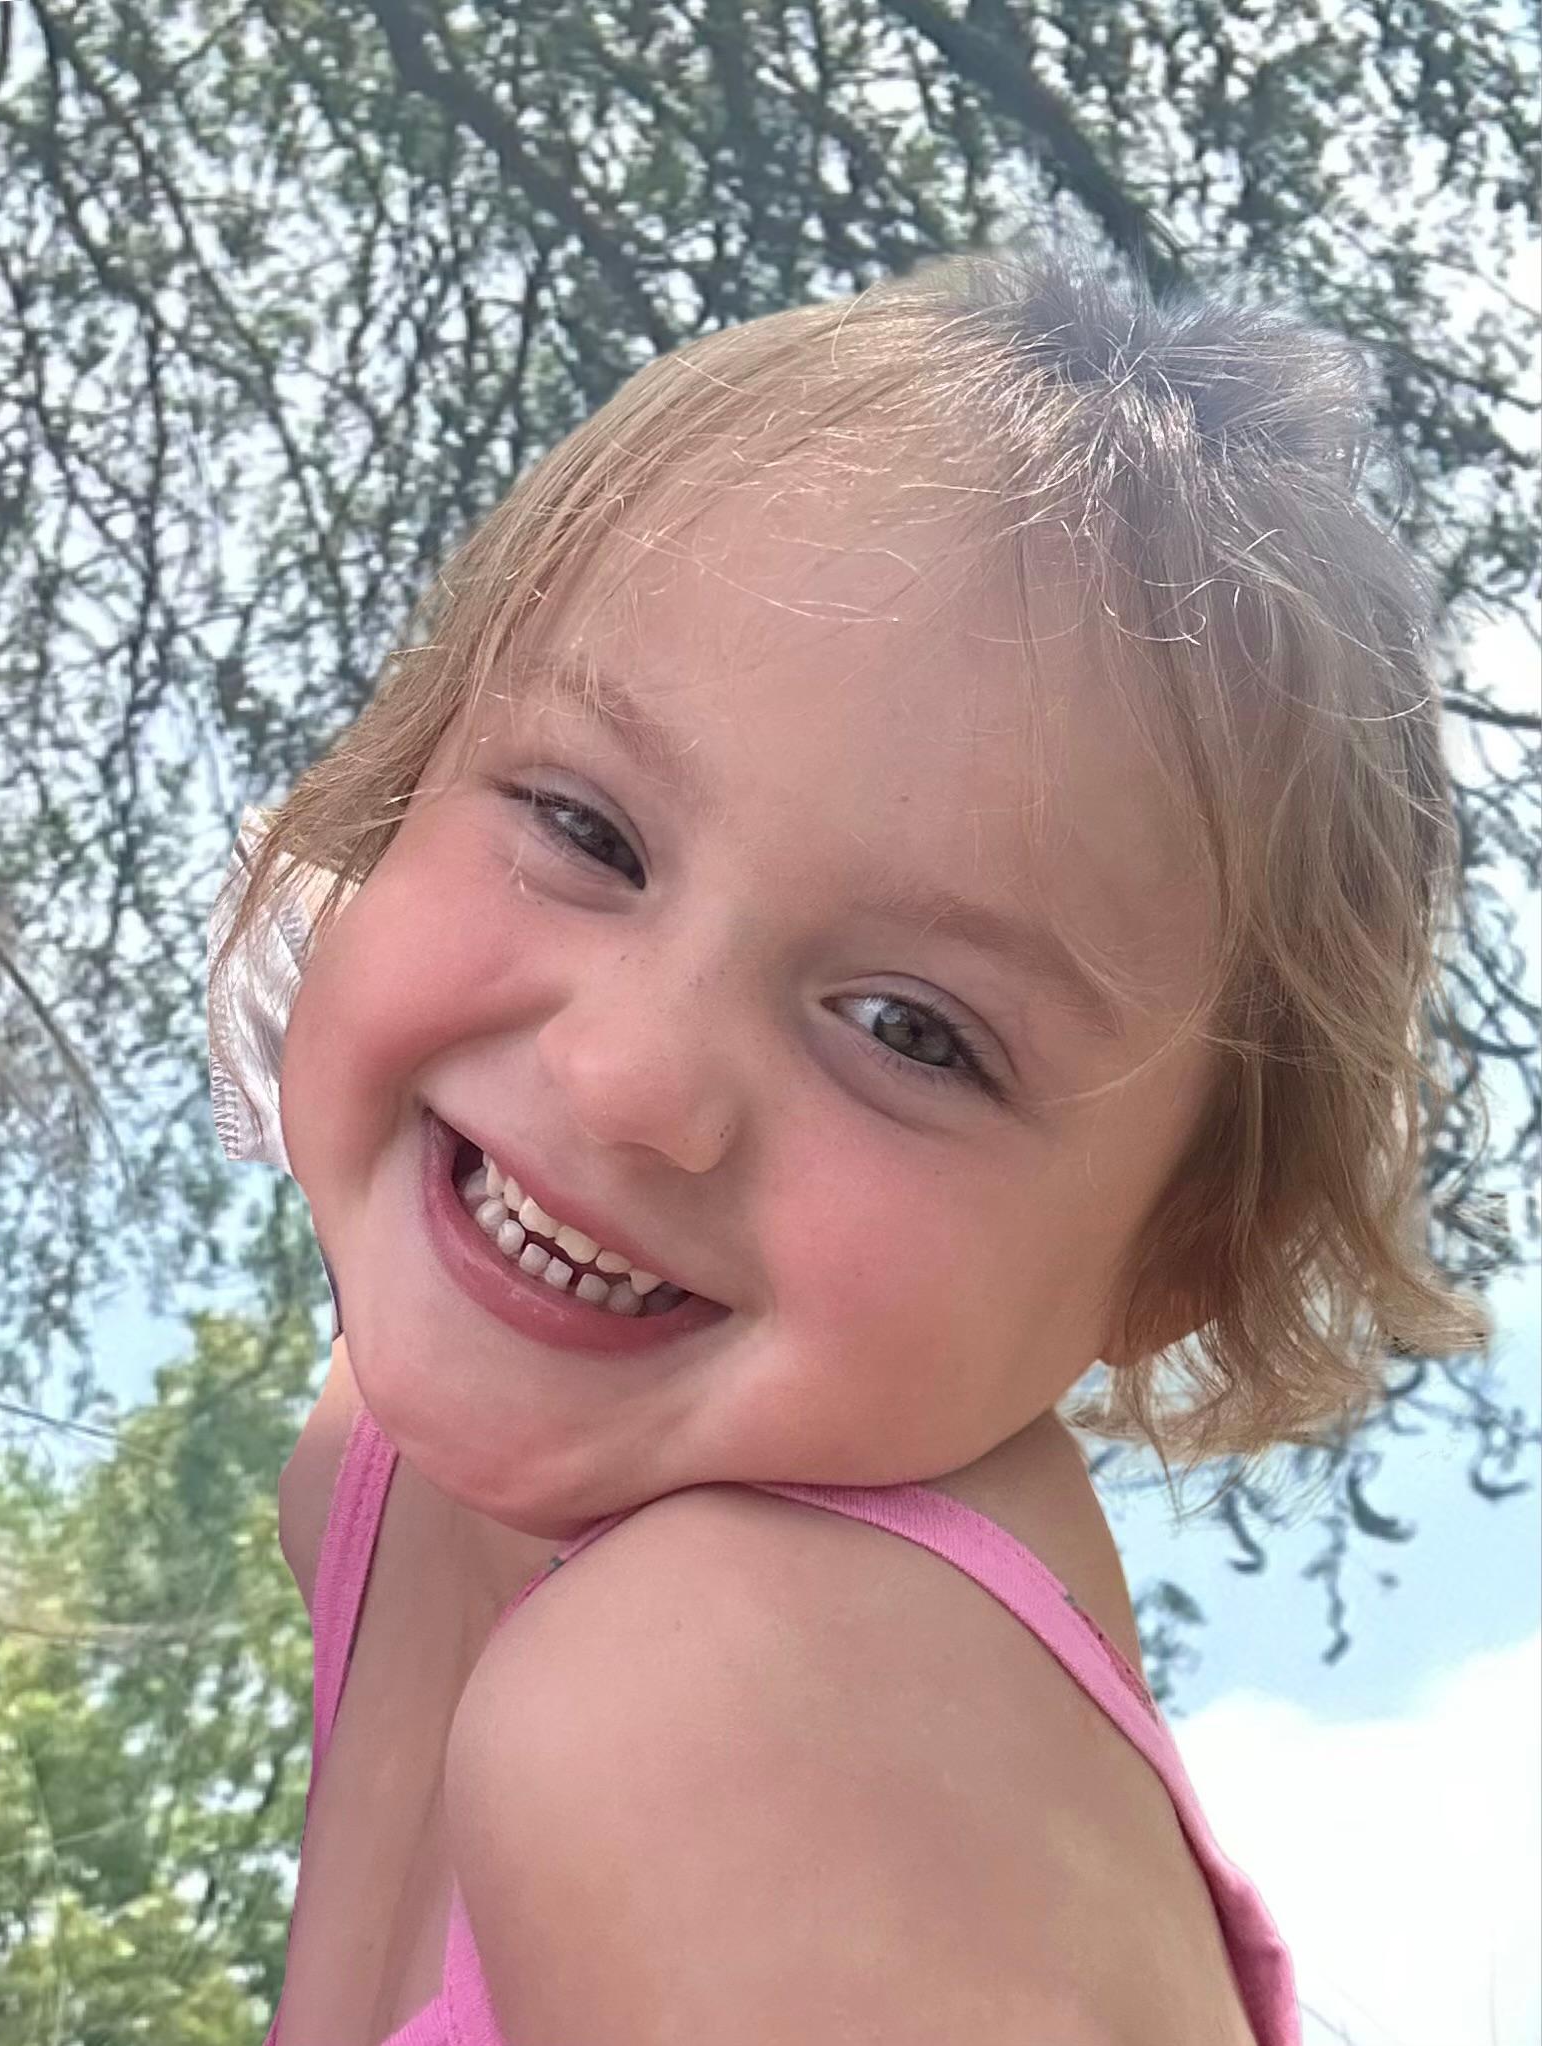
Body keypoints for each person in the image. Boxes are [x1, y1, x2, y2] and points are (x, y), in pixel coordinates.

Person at [206, 234, 1489, 2046]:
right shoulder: (375, 1465)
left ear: (1180, 1258)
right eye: (584, 828)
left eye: (910, 1031)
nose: (628, 1074)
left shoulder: (744, 1692)